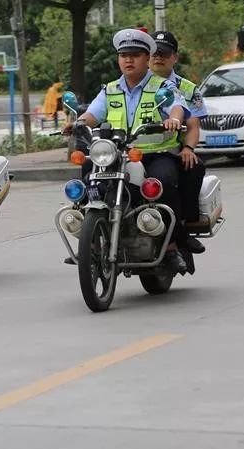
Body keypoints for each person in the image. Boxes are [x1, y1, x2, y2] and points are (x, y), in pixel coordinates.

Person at [63, 29, 191, 272]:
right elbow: (94, 113)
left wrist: (174, 119)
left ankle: (172, 247)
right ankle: (92, 237)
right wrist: (79, 122)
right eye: (123, 55)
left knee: (162, 181)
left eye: (135, 55)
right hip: (116, 152)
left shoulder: (162, 86)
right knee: (89, 168)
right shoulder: (110, 89)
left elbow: (177, 107)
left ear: (147, 58)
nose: (128, 60)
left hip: (156, 153)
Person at [149, 31, 208, 255]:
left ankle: (184, 227)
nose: (158, 58)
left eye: (164, 53)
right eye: (153, 53)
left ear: (175, 57)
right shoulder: (136, 84)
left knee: (192, 166)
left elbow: (192, 125)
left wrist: (188, 148)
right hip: (137, 148)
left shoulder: (187, 89)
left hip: (172, 149)